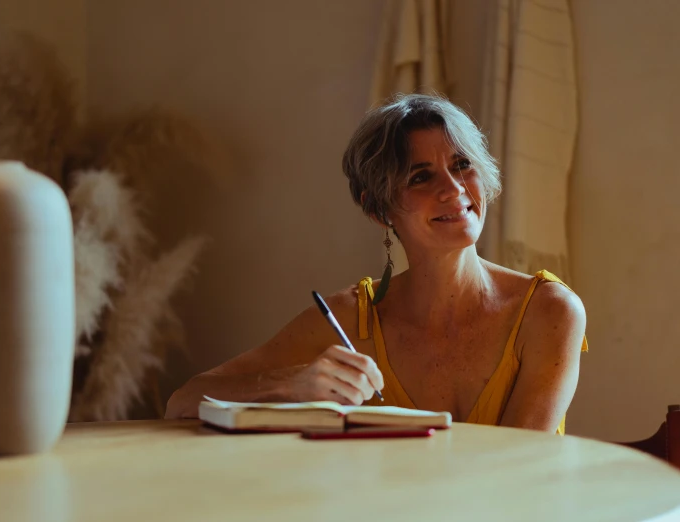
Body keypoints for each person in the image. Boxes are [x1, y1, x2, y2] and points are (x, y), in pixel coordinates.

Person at [165, 94, 587, 434]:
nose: (454, 189)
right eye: (421, 176)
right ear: (378, 209)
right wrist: (292, 385)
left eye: (462, 165)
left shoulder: (550, 312)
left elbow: (520, 473)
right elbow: (183, 401)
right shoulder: (351, 319)